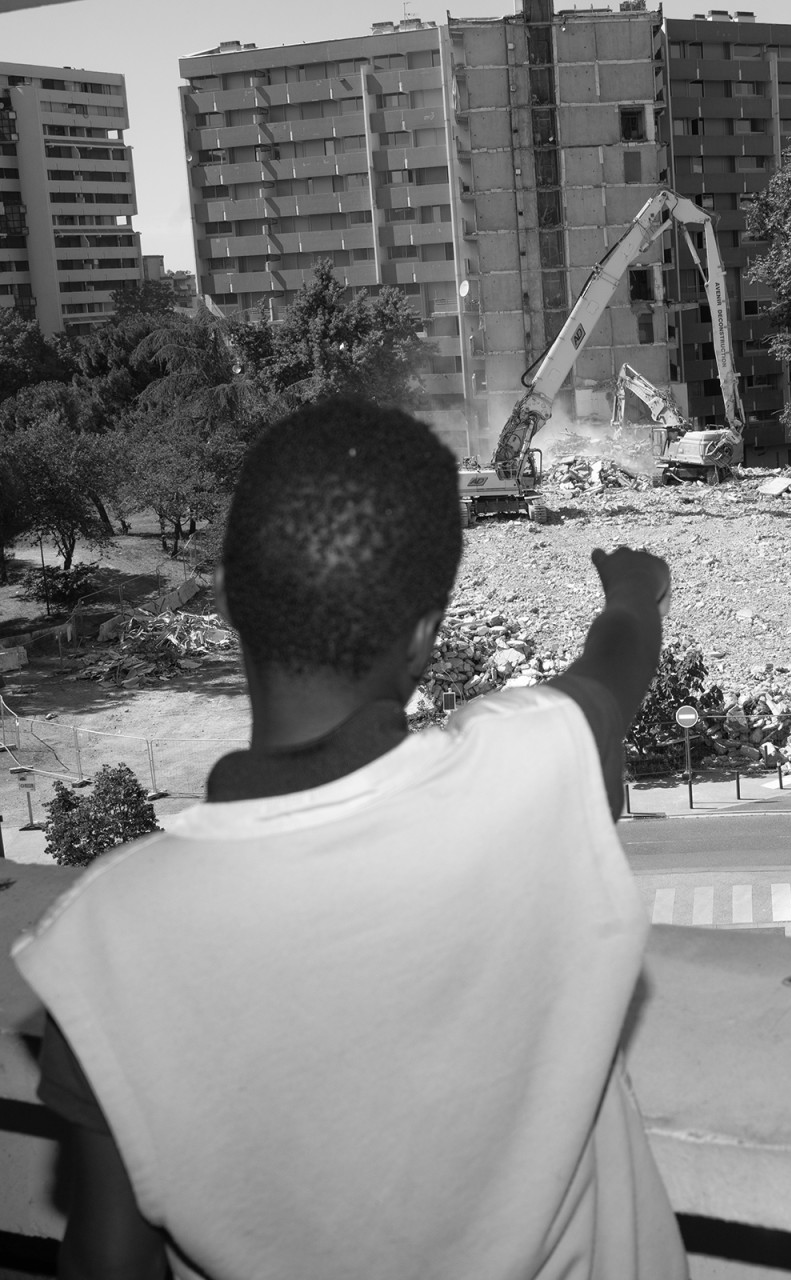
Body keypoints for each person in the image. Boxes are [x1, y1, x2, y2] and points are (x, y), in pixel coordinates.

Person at [11, 399, 687, 1280]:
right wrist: (637, 588)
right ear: (424, 638)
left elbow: (107, 1259)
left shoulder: (102, 934)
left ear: (228, 604)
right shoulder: (532, 763)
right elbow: (618, 658)